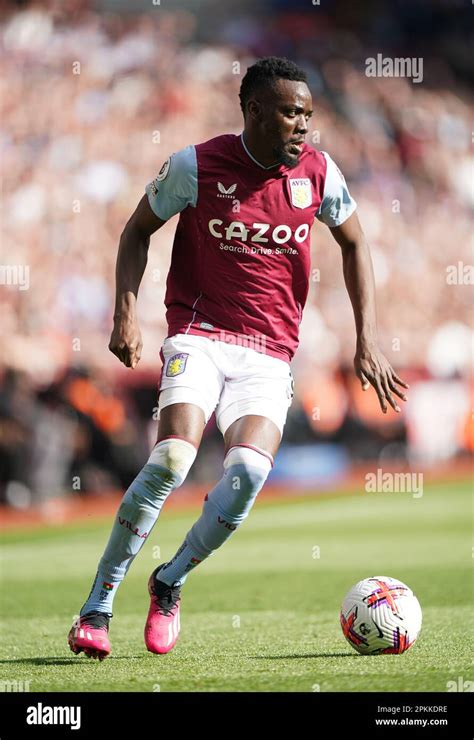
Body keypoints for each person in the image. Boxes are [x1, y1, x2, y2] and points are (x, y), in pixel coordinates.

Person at [68, 56, 408, 660]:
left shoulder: (320, 174)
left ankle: (169, 581)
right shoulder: (195, 165)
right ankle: (98, 605)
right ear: (253, 111)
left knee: (249, 472)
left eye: (307, 113)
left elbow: (355, 244)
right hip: (198, 334)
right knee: (173, 456)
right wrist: (124, 312)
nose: (302, 125)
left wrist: (367, 340)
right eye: (289, 112)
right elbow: (135, 230)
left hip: (269, 354)